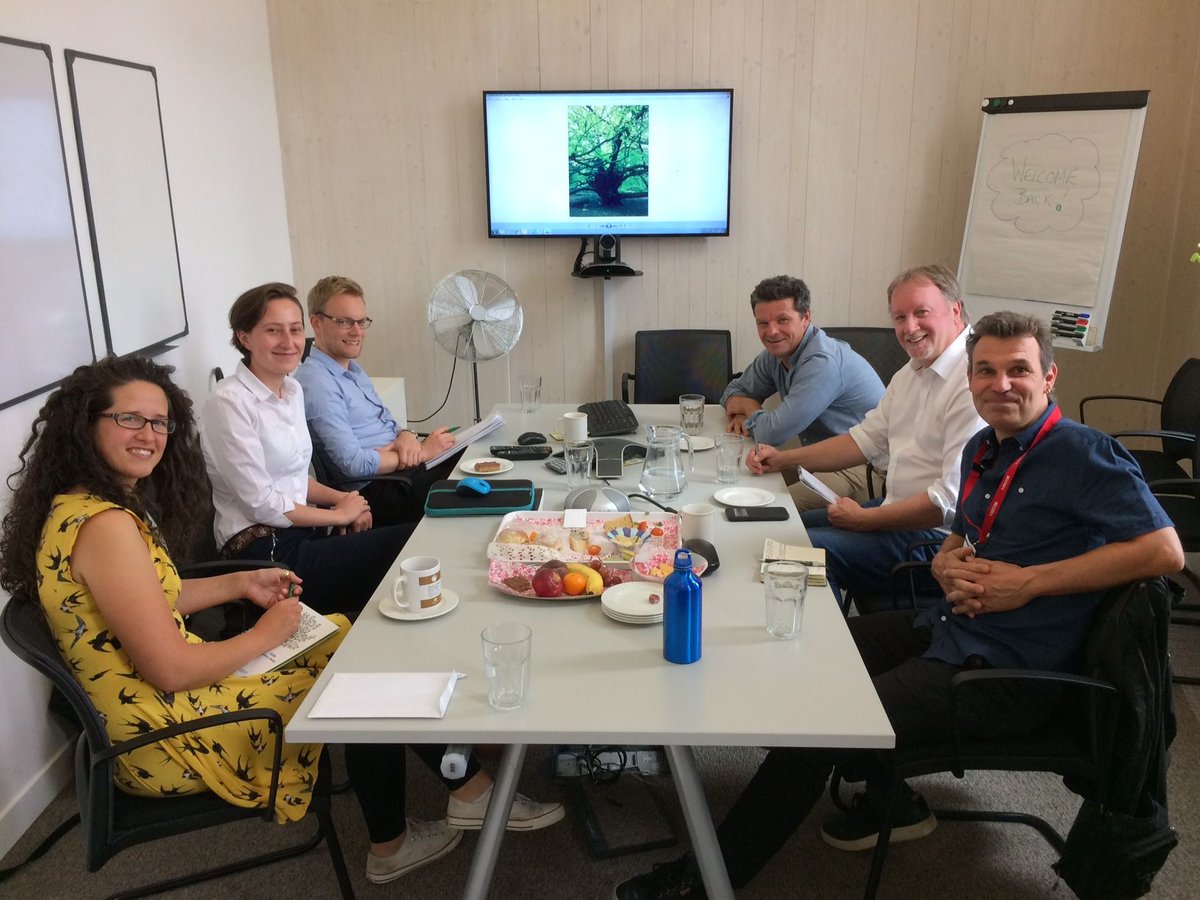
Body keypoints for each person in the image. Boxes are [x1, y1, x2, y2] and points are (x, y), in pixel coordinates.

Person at [614, 311, 1185, 899]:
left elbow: (1164, 552)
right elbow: (963, 528)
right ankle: (892, 797)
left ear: (1049, 377)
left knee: (820, 725)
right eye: (985, 370)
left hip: (1007, 671)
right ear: (971, 379)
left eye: (1019, 370)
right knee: (811, 651)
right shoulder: (989, 446)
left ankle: (705, 880)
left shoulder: (1084, 453)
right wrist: (945, 558)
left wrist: (1031, 583)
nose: (1001, 383)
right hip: (954, 622)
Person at [0, 356, 562, 887]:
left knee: (351, 636)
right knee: (359, 672)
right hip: (166, 736)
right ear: (85, 424)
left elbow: (155, 597)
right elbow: (170, 668)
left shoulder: (83, 506)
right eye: (129, 419)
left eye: (159, 424)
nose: (148, 435)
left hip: (149, 708)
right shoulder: (106, 527)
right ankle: (408, 834)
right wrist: (260, 635)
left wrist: (240, 583)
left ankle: (466, 787)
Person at [748, 264, 985, 605]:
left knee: (794, 553)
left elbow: (945, 504)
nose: (909, 327)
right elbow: (863, 440)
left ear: (955, 310)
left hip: (936, 539)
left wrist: (867, 519)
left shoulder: (973, 381)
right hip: (897, 510)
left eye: (921, 313)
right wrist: (783, 459)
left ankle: (823, 654)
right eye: (900, 317)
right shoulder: (912, 372)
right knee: (781, 527)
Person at [201, 282, 415, 618]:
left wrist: (345, 501)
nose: (288, 342)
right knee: (409, 548)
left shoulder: (292, 389)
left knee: (403, 554)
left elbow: (296, 478)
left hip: (304, 530)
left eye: (295, 330)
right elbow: (262, 504)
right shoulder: (228, 402)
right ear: (245, 337)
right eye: (273, 331)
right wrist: (337, 514)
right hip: (264, 551)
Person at [294, 275, 458, 525]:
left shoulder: (353, 370)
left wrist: (406, 436)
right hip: (380, 490)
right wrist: (423, 452)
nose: (357, 331)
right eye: (345, 322)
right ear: (316, 322)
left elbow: (392, 426)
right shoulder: (316, 381)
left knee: (471, 457)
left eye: (361, 321)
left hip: (401, 473)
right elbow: (353, 464)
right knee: (468, 478)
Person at [720, 275, 884, 510]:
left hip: (862, 467)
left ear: (806, 317)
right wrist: (737, 414)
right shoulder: (775, 354)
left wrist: (747, 408)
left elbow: (771, 432)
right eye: (762, 323)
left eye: (782, 320)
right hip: (816, 458)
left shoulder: (822, 362)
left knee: (762, 509)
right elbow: (733, 390)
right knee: (733, 485)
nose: (772, 331)